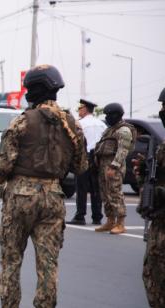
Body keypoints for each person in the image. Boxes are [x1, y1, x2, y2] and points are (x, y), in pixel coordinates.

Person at [0, 65, 87, 308]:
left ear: (33, 90)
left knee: (11, 261)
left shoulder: (21, 122)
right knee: (48, 264)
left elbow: (3, 167)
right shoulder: (72, 124)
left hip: (20, 198)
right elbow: (81, 166)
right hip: (54, 197)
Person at [134, 87, 165, 308]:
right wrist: (144, 174)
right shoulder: (162, 148)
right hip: (159, 224)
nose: (162, 111)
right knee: (152, 279)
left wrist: (159, 194)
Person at [94, 103, 135, 234]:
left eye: (109, 115)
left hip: (113, 165)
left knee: (115, 193)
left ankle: (120, 223)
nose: (107, 117)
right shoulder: (110, 129)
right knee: (105, 193)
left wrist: (114, 166)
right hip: (103, 164)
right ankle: (110, 220)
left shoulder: (124, 130)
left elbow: (123, 150)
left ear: (116, 115)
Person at [67, 99, 107, 225]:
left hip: (84, 157)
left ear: (85, 109)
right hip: (98, 158)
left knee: (81, 188)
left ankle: (80, 216)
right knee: (96, 188)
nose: (79, 110)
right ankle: (97, 216)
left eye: (80, 108)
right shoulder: (101, 124)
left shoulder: (79, 124)